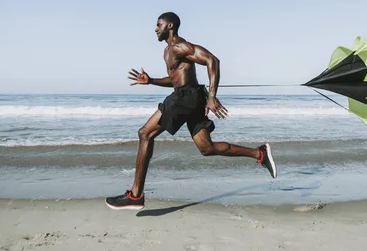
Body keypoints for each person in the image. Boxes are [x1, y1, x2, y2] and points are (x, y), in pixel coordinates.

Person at [106, 12, 277, 210]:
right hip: (190, 96)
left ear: (169, 26)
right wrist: (151, 80)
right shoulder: (168, 51)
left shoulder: (180, 46)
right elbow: (174, 79)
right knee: (207, 148)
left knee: (145, 133)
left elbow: (213, 60)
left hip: (186, 97)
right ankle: (259, 153)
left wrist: (212, 96)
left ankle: (135, 196)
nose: (155, 29)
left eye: (158, 25)